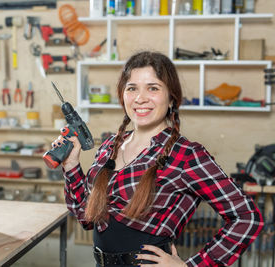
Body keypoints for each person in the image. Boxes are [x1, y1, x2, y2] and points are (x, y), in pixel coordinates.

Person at [51, 51, 263, 267]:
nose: (140, 98)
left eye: (153, 88)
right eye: (132, 88)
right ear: (123, 95)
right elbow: (86, 218)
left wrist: (191, 266)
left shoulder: (186, 155)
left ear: (172, 97)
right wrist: (71, 165)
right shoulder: (109, 147)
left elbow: (247, 217)